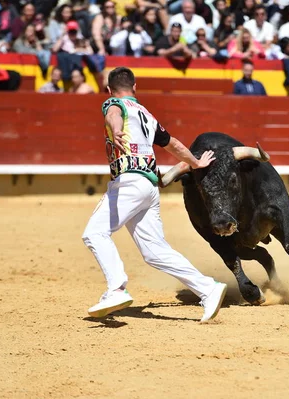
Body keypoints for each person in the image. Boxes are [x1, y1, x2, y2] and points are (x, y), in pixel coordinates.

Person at [82, 67, 228, 322]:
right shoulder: (147, 115)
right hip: (149, 187)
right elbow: (173, 144)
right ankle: (208, 288)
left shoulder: (113, 104)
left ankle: (116, 288)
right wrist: (195, 163)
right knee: (154, 251)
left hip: (128, 183)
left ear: (109, 90)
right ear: (135, 87)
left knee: (94, 233)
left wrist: (115, 128)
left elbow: (113, 113)